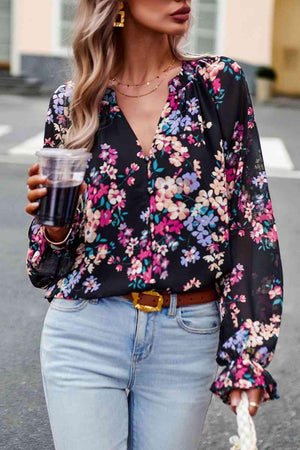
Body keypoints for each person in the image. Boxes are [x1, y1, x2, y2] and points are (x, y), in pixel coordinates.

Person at [25, 1, 284, 449]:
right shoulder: (74, 102)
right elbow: (44, 266)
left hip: (184, 338)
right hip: (85, 331)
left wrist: (247, 355)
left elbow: (251, 221)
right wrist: (53, 225)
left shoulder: (218, 84)